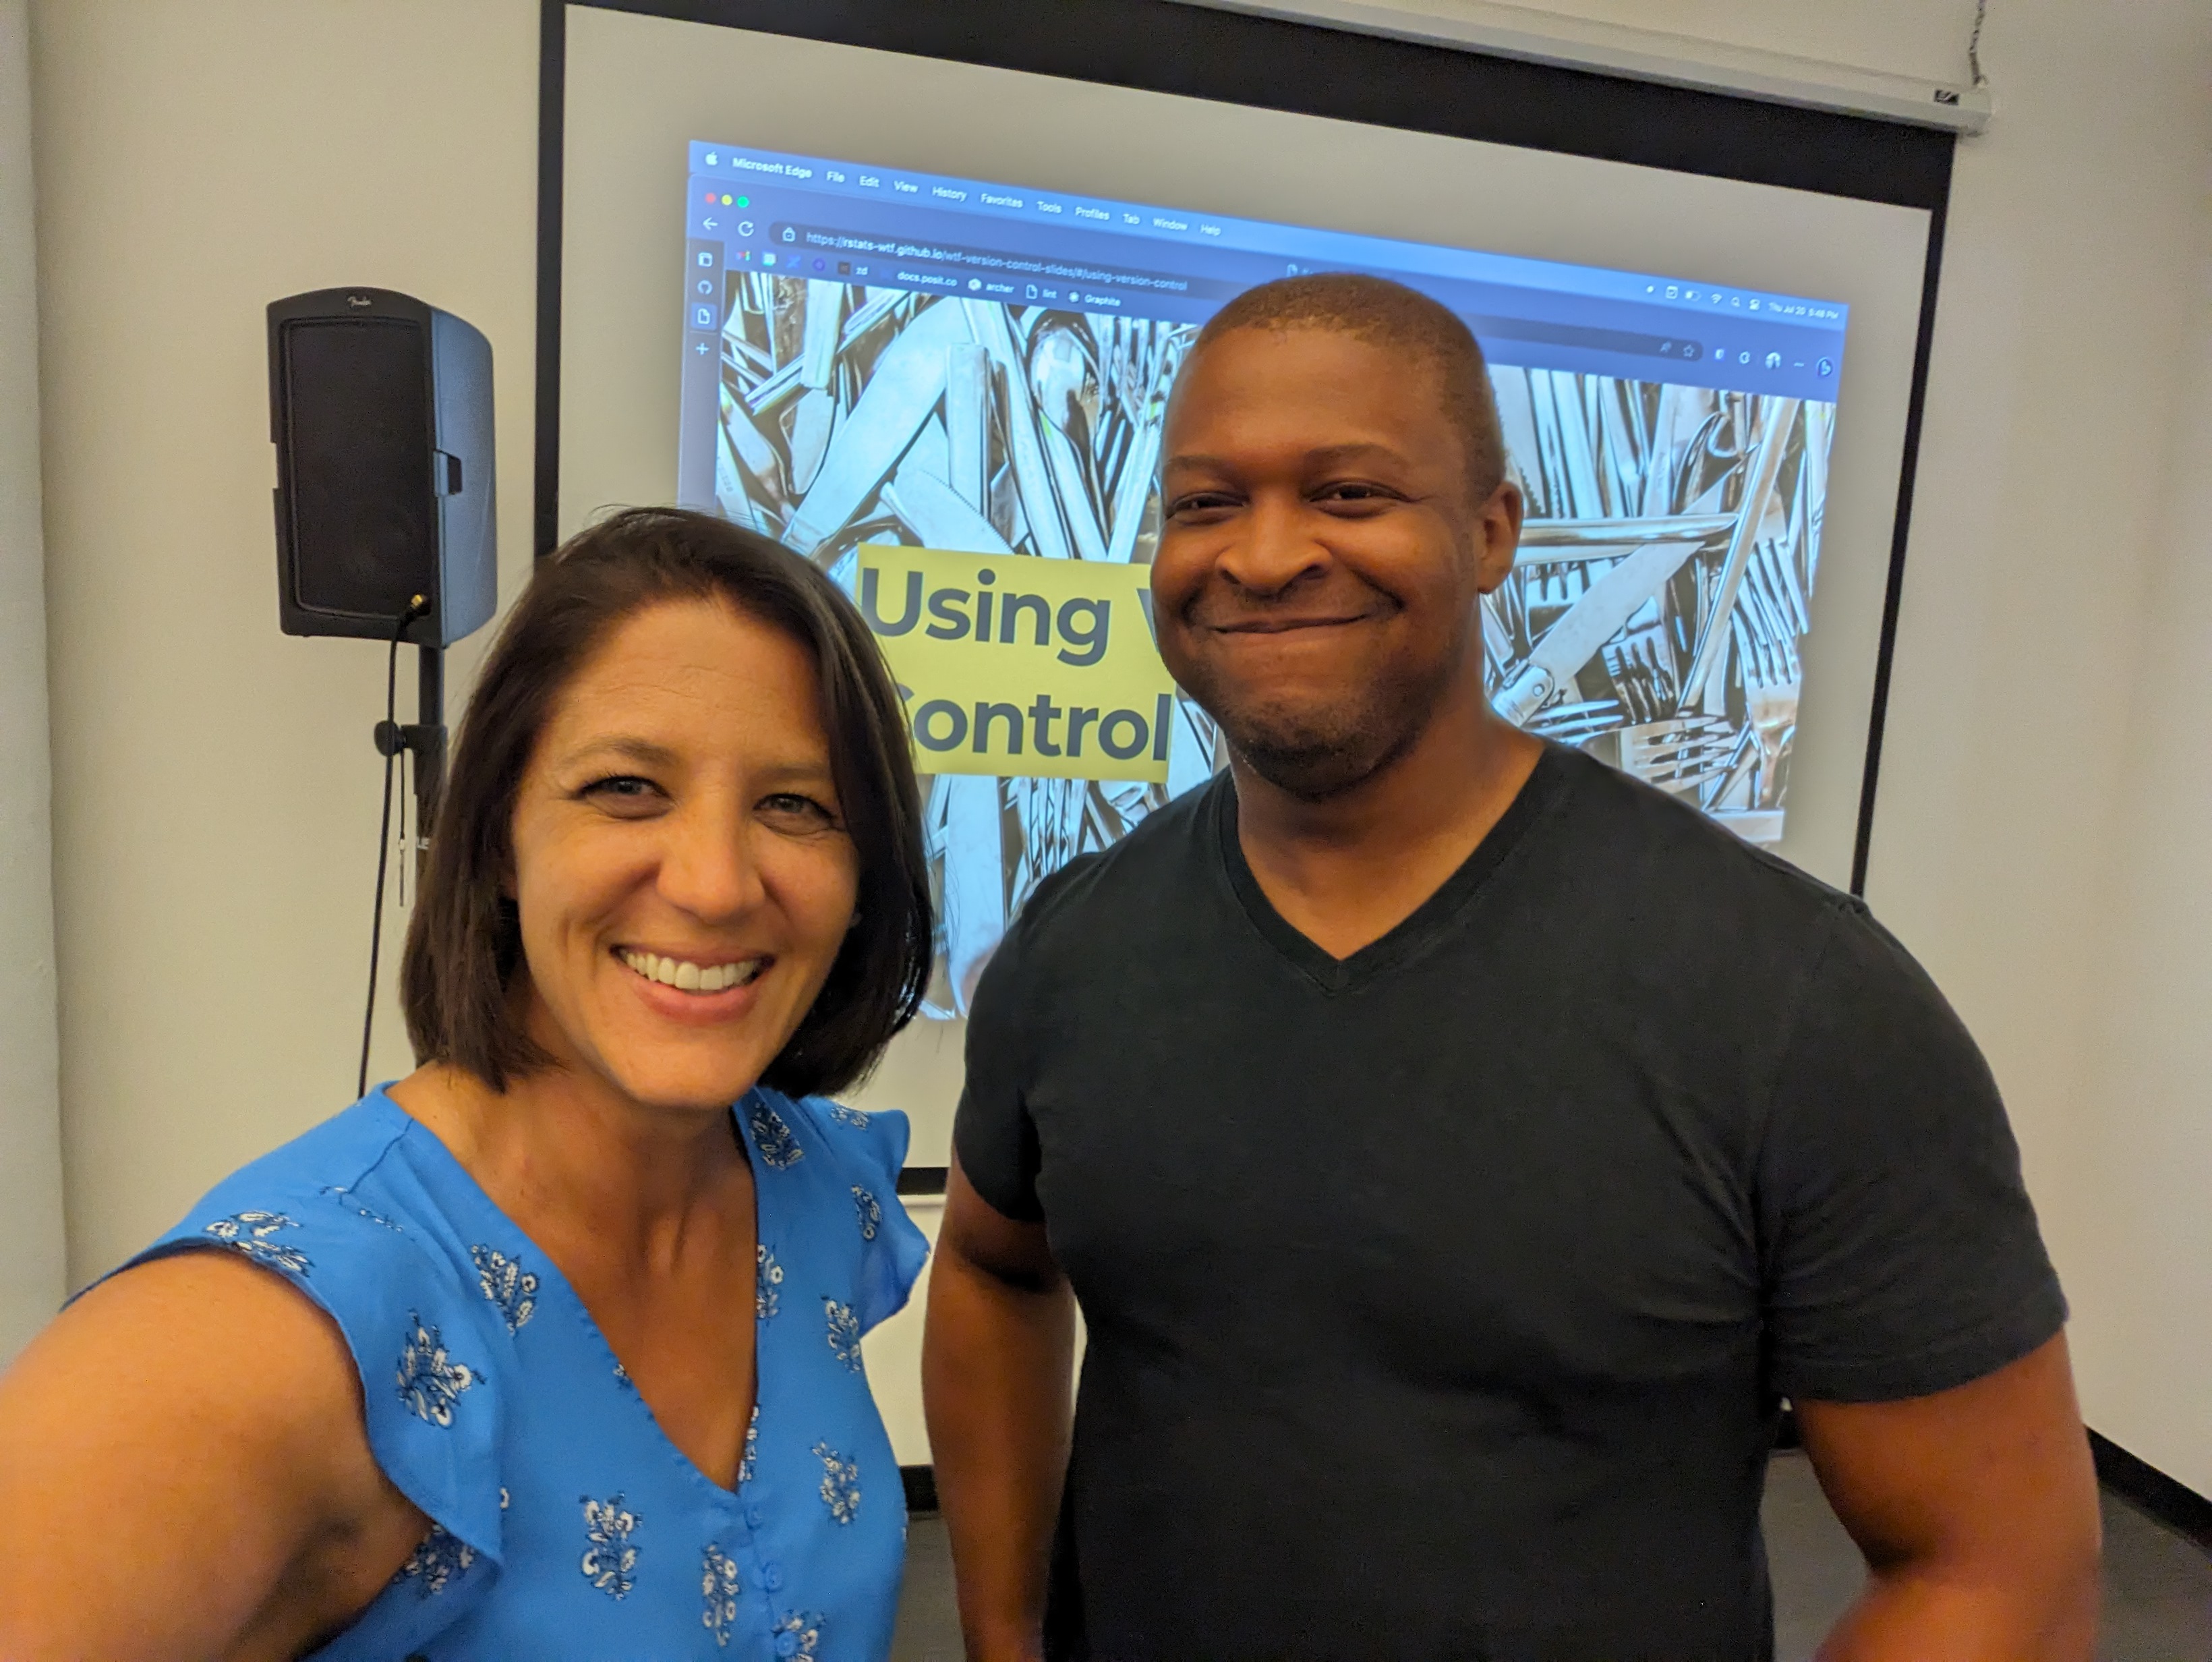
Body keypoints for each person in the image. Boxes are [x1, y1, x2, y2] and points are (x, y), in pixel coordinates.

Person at [923, 275, 2103, 1661]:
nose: (1261, 552)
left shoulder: (1793, 1000)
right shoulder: (1076, 948)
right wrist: (1002, 1636)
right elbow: (996, 1270)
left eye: (1348, 491)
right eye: (1202, 502)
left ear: (1491, 532)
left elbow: (1995, 1565)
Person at [0, 509, 935, 1660]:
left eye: (795, 805)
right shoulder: (268, 1344)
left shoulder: (820, 1192)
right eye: (627, 787)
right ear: (495, 834)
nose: (712, 884)